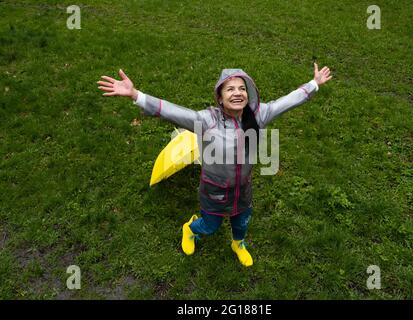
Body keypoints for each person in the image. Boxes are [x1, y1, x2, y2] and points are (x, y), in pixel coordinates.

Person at [97, 64, 332, 267]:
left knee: (242, 222)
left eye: (242, 88)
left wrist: (315, 83)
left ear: (248, 94)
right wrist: (135, 94)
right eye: (230, 89)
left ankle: (238, 243)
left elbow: (289, 100)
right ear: (220, 97)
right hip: (213, 191)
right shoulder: (206, 120)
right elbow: (169, 110)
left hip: (243, 190)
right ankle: (190, 229)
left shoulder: (258, 116)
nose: (237, 93)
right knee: (210, 226)